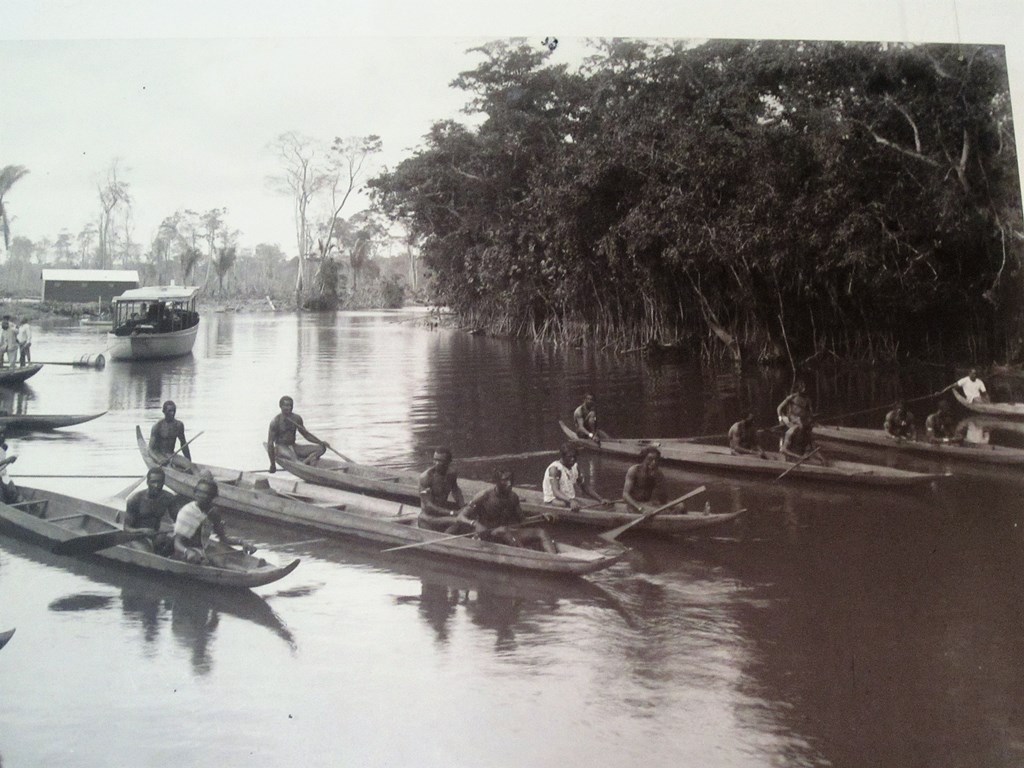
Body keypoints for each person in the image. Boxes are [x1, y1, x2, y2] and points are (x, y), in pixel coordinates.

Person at [456, 469, 557, 554]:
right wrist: (474, 523)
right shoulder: (484, 496)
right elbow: (460, 517)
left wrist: (541, 516)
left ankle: (554, 559)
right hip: (487, 534)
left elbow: (522, 520)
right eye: (505, 480)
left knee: (541, 532)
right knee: (503, 530)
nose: (509, 483)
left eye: (511, 480)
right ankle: (525, 554)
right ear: (497, 481)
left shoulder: (513, 497)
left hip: (508, 533)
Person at [173, 475, 256, 564]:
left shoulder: (213, 513)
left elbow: (223, 539)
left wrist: (242, 543)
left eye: (207, 494)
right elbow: (177, 543)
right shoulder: (188, 511)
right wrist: (188, 552)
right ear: (195, 493)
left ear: (213, 497)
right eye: (200, 492)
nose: (202, 496)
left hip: (202, 550)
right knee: (217, 561)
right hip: (184, 552)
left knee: (223, 559)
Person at [123, 467, 185, 556]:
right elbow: (126, 528)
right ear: (147, 482)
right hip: (137, 536)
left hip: (156, 535)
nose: (156, 485)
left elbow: (178, 522)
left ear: (164, 482)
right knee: (147, 555)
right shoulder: (135, 499)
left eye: (160, 482)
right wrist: (143, 530)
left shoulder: (168, 498)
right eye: (153, 482)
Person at [267, 395, 328, 472]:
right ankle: (303, 464)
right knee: (294, 459)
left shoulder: (296, 418)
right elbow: (270, 444)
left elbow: (306, 435)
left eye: (290, 405)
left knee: (321, 448)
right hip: (281, 447)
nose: (288, 408)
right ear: (281, 406)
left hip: (294, 446)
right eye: (286, 405)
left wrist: (320, 442)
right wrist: (272, 464)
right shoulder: (275, 421)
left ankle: (305, 461)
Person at [542, 442, 606, 512]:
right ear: (563, 456)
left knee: (581, 505)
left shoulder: (575, 467)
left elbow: (584, 487)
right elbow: (556, 492)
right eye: (569, 457)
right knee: (565, 504)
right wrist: (571, 500)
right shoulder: (555, 469)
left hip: (568, 499)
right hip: (553, 500)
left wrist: (600, 499)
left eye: (574, 457)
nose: (572, 459)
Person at [417, 447, 467, 533]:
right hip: (428, 518)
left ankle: (447, 535)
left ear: (448, 462)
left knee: (467, 519)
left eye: (440, 461)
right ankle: (444, 540)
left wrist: (463, 506)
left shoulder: (452, 474)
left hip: (442, 515)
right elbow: (428, 506)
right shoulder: (426, 477)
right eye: (435, 460)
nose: (436, 463)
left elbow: (455, 491)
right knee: (460, 522)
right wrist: (452, 513)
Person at [622, 446, 668, 514]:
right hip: (634, 505)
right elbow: (625, 494)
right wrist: (640, 508)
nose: (653, 462)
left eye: (656, 460)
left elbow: (663, 499)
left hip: (647, 503)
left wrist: (658, 481)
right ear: (643, 459)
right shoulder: (634, 470)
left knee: (681, 506)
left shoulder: (658, 473)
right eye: (650, 459)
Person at [0, 427, 18, 503]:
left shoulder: (3, 448)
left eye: (2, 434)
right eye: (0, 434)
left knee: (13, 493)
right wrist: (7, 460)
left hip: (3, 475)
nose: (2, 436)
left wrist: (10, 460)